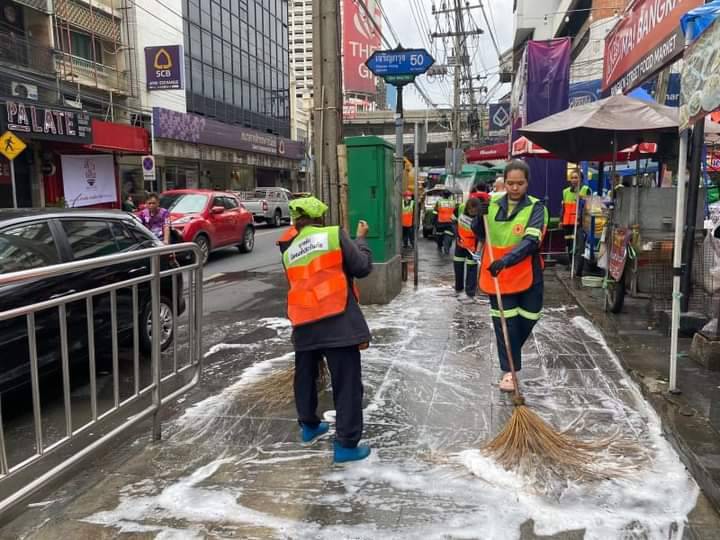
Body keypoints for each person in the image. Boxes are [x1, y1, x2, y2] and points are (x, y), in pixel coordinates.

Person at [279, 197, 373, 463]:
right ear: (320, 218)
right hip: (337, 320)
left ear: (296, 221)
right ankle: (345, 445)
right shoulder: (333, 235)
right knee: (347, 384)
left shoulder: (289, 249)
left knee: (306, 378)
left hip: (304, 323)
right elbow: (361, 267)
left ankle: (309, 427)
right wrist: (361, 240)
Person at [474, 160, 549, 392]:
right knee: (505, 323)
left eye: (520, 183)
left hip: (526, 272)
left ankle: (511, 353)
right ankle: (510, 371)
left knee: (530, 316)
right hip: (497, 275)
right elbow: (478, 232)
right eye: (510, 183)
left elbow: (531, 241)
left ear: (527, 183)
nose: (515, 188)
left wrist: (506, 260)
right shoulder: (492, 203)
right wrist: (477, 215)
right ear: (504, 182)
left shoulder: (537, 208)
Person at [560, 169, 591, 266]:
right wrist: (561, 220)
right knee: (569, 244)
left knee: (579, 245)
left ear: (581, 179)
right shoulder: (565, 192)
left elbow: (589, 207)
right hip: (567, 222)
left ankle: (579, 266)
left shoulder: (586, 190)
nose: (574, 180)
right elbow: (563, 208)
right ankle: (571, 263)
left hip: (580, 223)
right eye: (572, 178)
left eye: (576, 177)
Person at [454, 197, 481, 300]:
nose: (472, 213)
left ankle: (470, 293)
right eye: (471, 211)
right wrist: (457, 236)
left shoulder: (481, 217)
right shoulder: (460, 210)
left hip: (472, 247)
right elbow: (454, 223)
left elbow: (482, 236)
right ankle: (458, 289)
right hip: (460, 244)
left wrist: (478, 251)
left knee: (472, 269)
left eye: (475, 212)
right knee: (458, 266)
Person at [433, 190, 457, 255]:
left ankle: (440, 246)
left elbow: (435, 212)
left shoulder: (439, 202)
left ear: (442, 195)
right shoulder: (453, 202)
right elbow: (455, 213)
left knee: (439, 236)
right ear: (449, 196)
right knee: (449, 236)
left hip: (440, 222)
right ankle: (447, 248)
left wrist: (434, 221)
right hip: (450, 222)